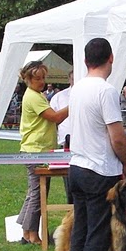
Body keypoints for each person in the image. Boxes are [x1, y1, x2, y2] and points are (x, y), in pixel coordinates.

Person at [69, 38, 126, 251]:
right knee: (97, 234)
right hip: (100, 169)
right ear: (111, 58)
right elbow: (117, 137)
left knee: (80, 232)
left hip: (77, 167)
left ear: (85, 61)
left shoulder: (77, 88)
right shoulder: (106, 91)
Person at [17, 61, 69, 245]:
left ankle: (25, 232)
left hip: (37, 150)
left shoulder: (35, 95)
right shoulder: (34, 97)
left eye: (43, 78)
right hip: (36, 151)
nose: (42, 82)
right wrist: (74, 104)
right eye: (37, 78)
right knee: (38, 194)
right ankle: (33, 235)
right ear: (28, 79)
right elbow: (55, 117)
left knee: (34, 193)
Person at [50, 69, 74, 203]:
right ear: (69, 79)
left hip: (86, 144)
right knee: (69, 184)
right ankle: (71, 211)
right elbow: (52, 121)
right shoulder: (59, 97)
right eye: (73, 78)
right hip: (65, 144)